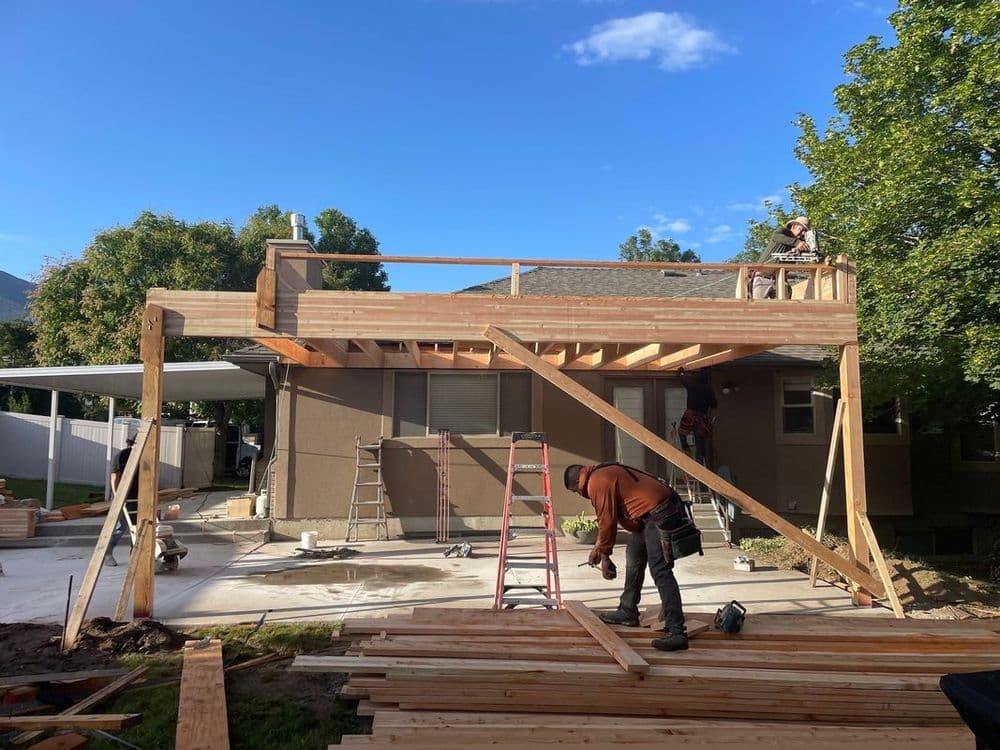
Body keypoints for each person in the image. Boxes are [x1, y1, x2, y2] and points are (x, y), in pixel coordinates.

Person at [563, 462, 689, 651]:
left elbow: (607, 520)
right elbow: (617, 513)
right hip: (648, 516)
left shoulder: (596, 481)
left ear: (577, 482)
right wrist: (599, 548)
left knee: (661, 571)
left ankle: (676, 632)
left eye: (575, 491)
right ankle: (627, 611)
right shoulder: (603, 472)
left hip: (659, 514)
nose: (580, 494)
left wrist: (604, 556)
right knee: (634, 556)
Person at [751, 216, 811, 300]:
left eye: (805, 232)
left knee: (784, 308)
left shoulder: (801, 245)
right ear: (793, 226)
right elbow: (776, 236)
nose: (803, 234)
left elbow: (812, 255)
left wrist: (823, 260)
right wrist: (796, 243)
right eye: (801, 230)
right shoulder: (783, 232)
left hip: (781, 280)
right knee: (759, 307)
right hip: (762, 278)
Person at [106, 434, 140, 567]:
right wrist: (118, 497)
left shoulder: (143, 456)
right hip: (125, 497)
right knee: (122, 527)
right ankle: (107, 552)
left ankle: (135, 555)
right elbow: (115, 477)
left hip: (140, 497)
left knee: (138, 528)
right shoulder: (122, 455)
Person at [677, 369, 717, 465]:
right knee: (699, 442)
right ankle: (699, 467)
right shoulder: (708, 389)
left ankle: (686, 447)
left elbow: (682, 379)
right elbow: (714, 405)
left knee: (682, 432)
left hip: (690, 414)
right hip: (701, 417)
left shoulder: (692, 384)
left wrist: (681, 372)